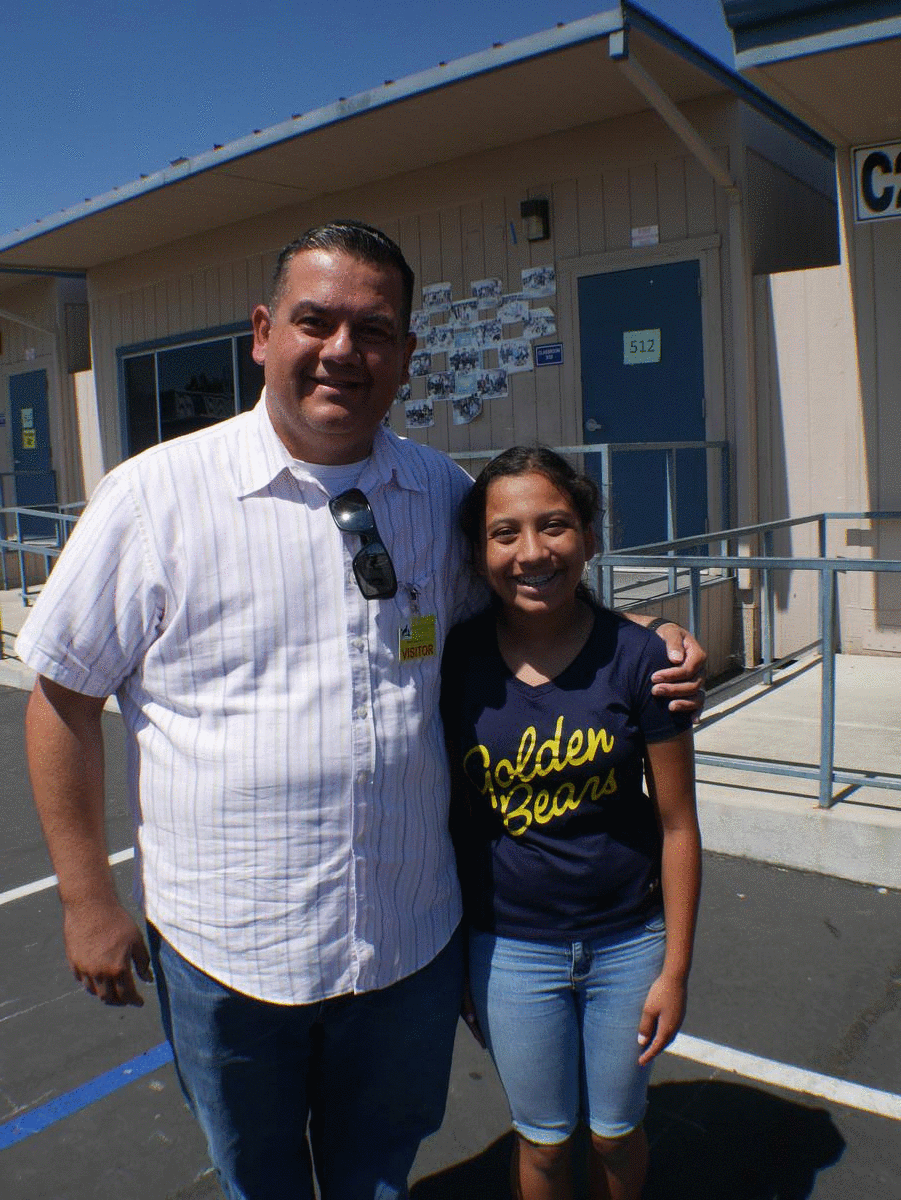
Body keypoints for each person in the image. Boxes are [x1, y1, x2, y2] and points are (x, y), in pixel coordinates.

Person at [18, 222, 704, 1200]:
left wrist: (644, 632)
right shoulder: (152, 499)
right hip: (228, 952)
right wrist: (87, 897)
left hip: (405, 944)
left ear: (405, 356)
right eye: (316, 321)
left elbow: (531, 607)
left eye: (373, 330)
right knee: (261, 1179)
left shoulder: (437, 494)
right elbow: (62, 697)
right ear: (262, 334)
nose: (344, 350)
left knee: (377, 1173)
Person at [440, 447, 701, 1200]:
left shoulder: (644, 659)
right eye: (504, 532)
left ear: (587, 535)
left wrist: (674, 970)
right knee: (546, 1143)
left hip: (628, 943)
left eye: (553, 525)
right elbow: (452, 823)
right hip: (508, 950)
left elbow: (678, 826)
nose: (531, 552)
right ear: (477, 551)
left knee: (616, 1134)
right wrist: (460, 955)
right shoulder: (454, 660)